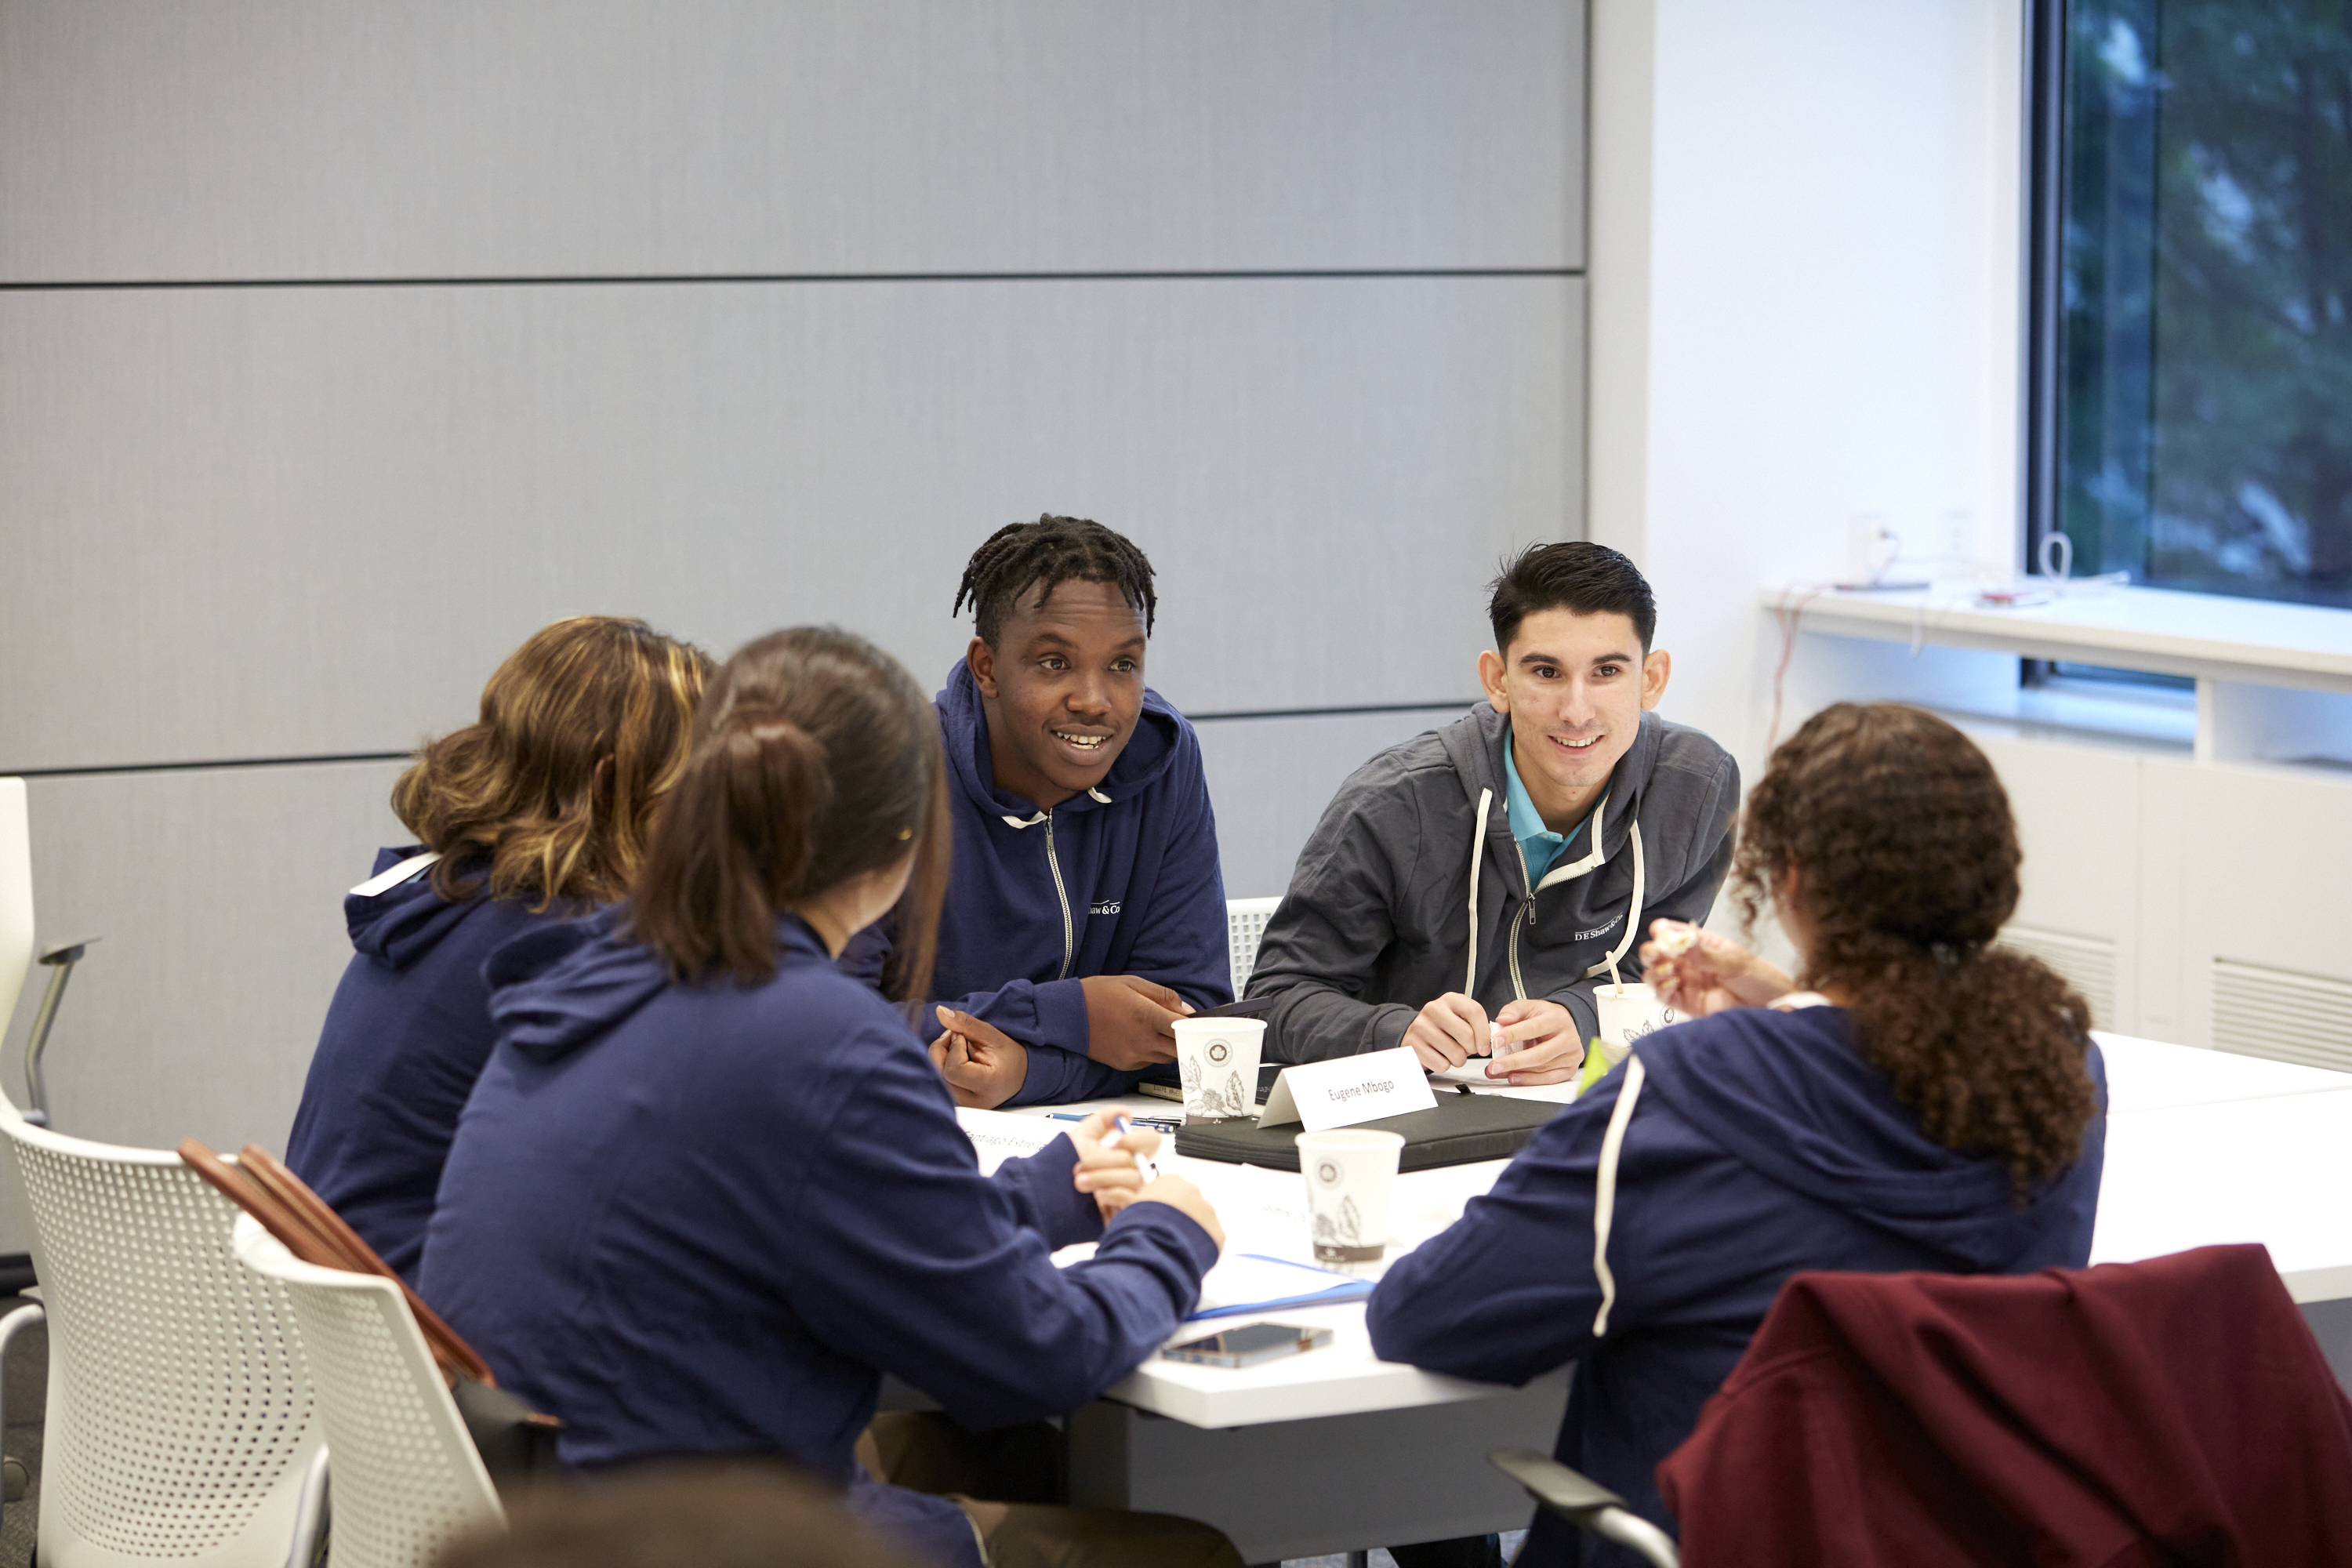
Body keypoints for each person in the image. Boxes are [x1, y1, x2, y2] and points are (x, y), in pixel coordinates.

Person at [419, 626, 1242, 1568]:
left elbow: (821, 1206)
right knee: (1186, 1549)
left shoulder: (596, 977)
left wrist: (1059, 1192)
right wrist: (1168, 1232)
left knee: (1002, 1450)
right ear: (907, 839)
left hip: (545, 1512)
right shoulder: (815, 1035)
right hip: (680, 1531)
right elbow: (1042, 1353)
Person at [1365, 702, 2110, 1567]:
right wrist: (1794, 1000)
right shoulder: (2056, 1070)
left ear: (1790, 881)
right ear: (1991, 878)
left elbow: (1429, 1316)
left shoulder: (1692, 1086)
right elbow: (1889, 1069)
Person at [285, 615, 710, 1283]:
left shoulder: (450, 898)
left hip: (363, 1334)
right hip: (456, 1343)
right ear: (611, 787)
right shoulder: (558, 942)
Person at [1248, 541, 1739, 1088]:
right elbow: (1273, 1000)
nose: (1576, 711)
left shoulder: (1696, 789)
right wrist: (1394, 1031)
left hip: (1576, 1108)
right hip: (1408, 1121)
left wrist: (1584, 1018)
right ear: (1498, 680)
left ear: (1650, 679)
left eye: (1606, 671)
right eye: (1546, 672)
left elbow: (1657, 972)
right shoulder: (1394, 804)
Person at [850, 515, 1231, 1109]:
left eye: (1123, 665)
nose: (1094, 701)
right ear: (987, 668)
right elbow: (823, 1023)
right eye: (1055, 662)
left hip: (1102, 1140)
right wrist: (1072, 1015)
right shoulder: (885, 774)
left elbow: (1189, 1027)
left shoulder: (1165, 761)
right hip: (907, 1127)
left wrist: (1031, 1071)